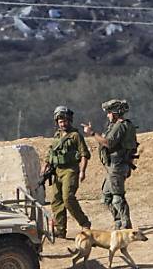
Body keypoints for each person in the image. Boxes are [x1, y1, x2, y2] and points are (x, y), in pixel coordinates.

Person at [83, 99, 138, 230]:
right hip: (114, 166)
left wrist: (91, 133)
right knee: (107, 196)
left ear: (115, 113)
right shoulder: (119, 126)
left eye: (109, 113)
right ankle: (118, 222)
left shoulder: (120, 126)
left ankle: (126, 225)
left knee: (117, 197)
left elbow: (108, 143)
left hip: (117, 166)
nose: (108, 116)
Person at [43, 105, 91, 239]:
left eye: (65, 121)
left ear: (69, 121)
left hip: (70, 170)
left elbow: (84, 154)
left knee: (68, 198)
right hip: (57, 171)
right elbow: (50, 153)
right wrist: (45, 166)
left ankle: (84, 223)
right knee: (56, 200)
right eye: (60, 121)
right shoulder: (57, 135)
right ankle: (60, 230)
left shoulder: (75, 136)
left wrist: (82, 171)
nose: (63, 124)